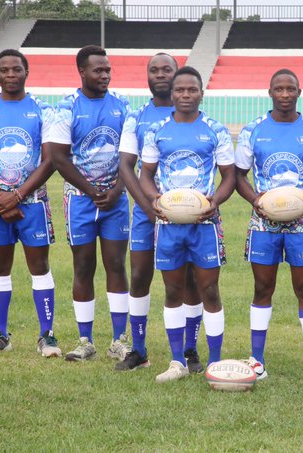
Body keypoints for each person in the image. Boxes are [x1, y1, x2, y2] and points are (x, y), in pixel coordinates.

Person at [235, 68, 303, 384]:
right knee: (262, 288)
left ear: (299, 92)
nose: (284, 94)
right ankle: (257, 361)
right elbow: (238, 175)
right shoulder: (253, 130)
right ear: (269, 92)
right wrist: (256, 200)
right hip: (264, 224)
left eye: (290, 89)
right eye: (278, 89)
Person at [140, 66, 236, 383]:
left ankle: (217, 363)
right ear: (172, 94)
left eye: (191, 90)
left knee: (209, 289)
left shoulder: (216, 130)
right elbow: (145, 175)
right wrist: (155, 199)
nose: (185, 95)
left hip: (204, 225)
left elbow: (229, 177)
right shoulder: (159, 131)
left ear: (201, 93)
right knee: (173, 291)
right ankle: (177, 361)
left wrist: (215, 202)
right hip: (169, 224)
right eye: (179, 90)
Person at [0, 49, 60, 357]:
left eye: (16, 69)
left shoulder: (42, 110)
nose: (10, 74)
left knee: (40, 266)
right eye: (5, 70)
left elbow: (50, 160)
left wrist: (17, 196)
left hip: (33, 202)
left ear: (26, 72)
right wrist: (0, 198)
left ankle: (47, 335)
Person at [118, 53, 204, 373]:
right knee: (140, 275)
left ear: (177, 73)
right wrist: (149, 207)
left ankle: (190, 350)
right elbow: (127, 166)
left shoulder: (191, 112)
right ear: (147, 75)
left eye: (167, 69)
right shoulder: (136, 117)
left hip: (188, 213)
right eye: (154, 70)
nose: (160, 74)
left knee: (189, 280)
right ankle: (138, 350)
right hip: (146, 210)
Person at [48, 45, 132, 362]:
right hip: (81, 201)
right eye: (98, 70)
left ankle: (119, 340)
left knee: (116, 265)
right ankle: (85, 340)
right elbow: (58, 156)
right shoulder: (66, 107)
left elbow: (129, 155)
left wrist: (115, 189)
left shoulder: (122, 105)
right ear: (82, 71)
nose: (105, 75)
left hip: (116, 200)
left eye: (108, 70)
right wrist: (92, 190)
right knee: (83, 267)